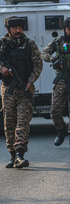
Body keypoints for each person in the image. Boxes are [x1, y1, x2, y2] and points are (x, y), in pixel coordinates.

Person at [0, 16, 43, 168]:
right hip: (8, 90)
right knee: (9, 123)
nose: (18, 31)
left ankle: (20, 153)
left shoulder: (29, 44)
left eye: (20, 27)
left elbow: (38, 64)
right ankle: (12, 155)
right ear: (8, 29)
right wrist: (1, 69)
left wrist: (31, 81)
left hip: (25, 88)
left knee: (23, 122)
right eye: (14, 28)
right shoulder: (2, 45)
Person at [42, 17, 70, 150]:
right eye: (69, 29)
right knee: (55, 110)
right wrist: (53, 59)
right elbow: (44, 54)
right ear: (64, 29)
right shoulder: (58, 42)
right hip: (61, 80)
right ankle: (60, 130)